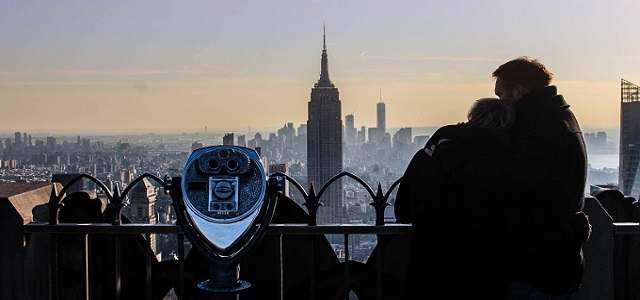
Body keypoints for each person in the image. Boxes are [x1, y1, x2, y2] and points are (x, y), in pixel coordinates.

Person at [435, 56, 591, 299]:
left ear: (518, 90)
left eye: (501, 96)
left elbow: (510, 183)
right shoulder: (557, 119)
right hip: (551, 258)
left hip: (534, 263)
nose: (500, 102)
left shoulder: (539, 129)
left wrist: (460, 159)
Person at [394, 97, 517, 299]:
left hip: (429, 266)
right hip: (483, 270)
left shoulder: (428, 155)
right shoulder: (504, 164)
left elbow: (403, 212)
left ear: (472, 117)